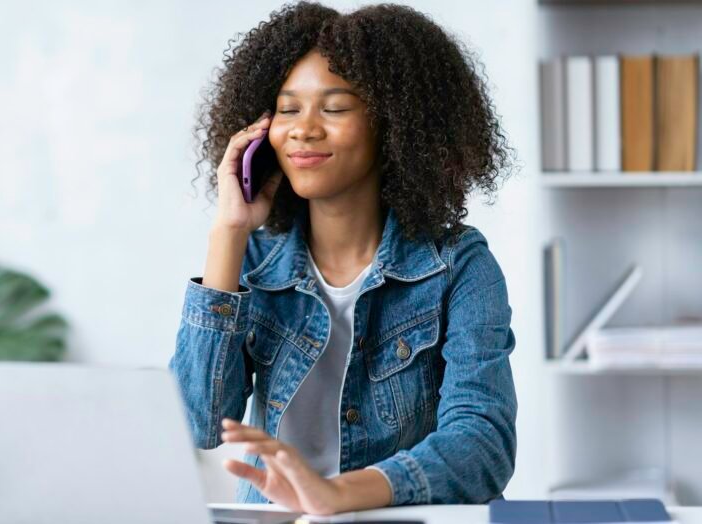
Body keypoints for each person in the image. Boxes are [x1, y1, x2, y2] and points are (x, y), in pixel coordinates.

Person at [169, 1, 519, 515]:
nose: (304, 130)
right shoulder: (251, 263)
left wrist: (337, 496)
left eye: (333, 108)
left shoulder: (457, 266)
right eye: (288, 109)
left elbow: (482, 447)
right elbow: (194, 425)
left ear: (394, 125)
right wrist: (229, 232)